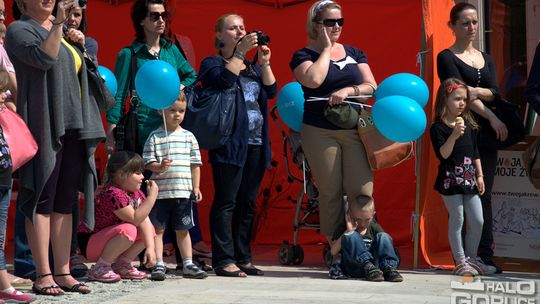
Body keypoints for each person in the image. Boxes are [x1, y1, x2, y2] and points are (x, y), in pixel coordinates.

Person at [6, 0, 105, 295]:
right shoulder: (19, 29)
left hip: (75, 124)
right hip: (45, 124)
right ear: (22, 2)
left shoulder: (60, 31)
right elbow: (45, 59)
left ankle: (63, 271)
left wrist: (80, 47)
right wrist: (60, 28)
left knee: (65, 202)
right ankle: (43, 273)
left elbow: (81, 75)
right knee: (42, 199)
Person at [290, 0, 376, 246]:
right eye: (330, 22)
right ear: (316, 25)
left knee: (362, 188)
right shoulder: (302, 55)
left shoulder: (355, 52)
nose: (337, 26)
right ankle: (336, 247)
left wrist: (349, 90)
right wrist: (326, 49)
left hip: (354, 129)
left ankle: (363, 240)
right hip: (319, 131)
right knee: (330, 191)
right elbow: (314, 81)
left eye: (340, 21)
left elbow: (371, 86)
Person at [201, 13, 276, 277]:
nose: (240, 31)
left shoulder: (252, 68)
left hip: (256, 143)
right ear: (220, 35)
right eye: (232, 28)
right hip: (230, 143)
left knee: (248, 203)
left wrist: (264, 63)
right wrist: (240, 53)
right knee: (227, 201)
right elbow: (223, 82)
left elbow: (271, 91)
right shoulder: (213, 63)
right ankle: (223, 259)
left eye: (242, 27)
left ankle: (243, 256)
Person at [437, 3, 504, 274]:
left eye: (475, 22)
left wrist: (477, 91)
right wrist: (491, 115)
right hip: (461, 130)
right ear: (452, 26)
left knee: (482, 192)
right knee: (461, 198)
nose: (472, 27)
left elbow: (495, 92)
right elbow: (458, 94)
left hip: (486, 136)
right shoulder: (446, 57)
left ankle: (483, 255)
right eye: (465, 23)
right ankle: (463, 258)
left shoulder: (486, 57)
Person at [105, 0, 197, 155]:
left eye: (164, 15)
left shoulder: (170, 49)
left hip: (170, 128)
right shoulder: (129, 54)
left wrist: (176, 88)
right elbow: (118, 95)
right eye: (154, 16)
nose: (161, 20)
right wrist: (111, 131)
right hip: (142, 129)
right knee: (144, 176)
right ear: (141, 20)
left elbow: (191, 75)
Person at [143, 91, 207, 280]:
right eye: (172, 110)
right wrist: (159, 166)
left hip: (182, 192)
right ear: (161, 112)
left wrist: (195, 188)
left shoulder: (189, 137)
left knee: (183, 229)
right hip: (161, 194)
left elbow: (195, 165)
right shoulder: (154, 137)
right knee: (159, 230)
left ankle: (187, 262)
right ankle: (159, 263)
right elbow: (147, 163)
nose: (177, 114)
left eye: (181, 111)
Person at [430, 78, 490, 276]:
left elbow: (475, 152)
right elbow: (443, 154)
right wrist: (454, 134)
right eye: (457, 99)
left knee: (478, 220)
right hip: (450, 180)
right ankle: (461, 260)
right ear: (445, 99)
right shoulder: (438, 127)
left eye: (464, 99)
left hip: (469, 177)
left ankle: (472, 258)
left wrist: (480, 175)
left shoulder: (470, 125)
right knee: (458, 218)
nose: (462, 103)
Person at [79, 151, 156, 282]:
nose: (142, 177)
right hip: (90, 242)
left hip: (108, 240)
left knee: (149, 231)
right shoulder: (112, 193)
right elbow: (135, 218)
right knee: (129, 229)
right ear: (121, 174)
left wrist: (150, 248)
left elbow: (144, 220)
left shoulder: (136, 193)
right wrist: (152, 196)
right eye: (138, 173)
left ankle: (122, 264)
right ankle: (100, 268)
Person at [0, 71, 35, 303]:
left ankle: (3, 286)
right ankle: (4, 287)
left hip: (3, 179)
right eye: (1, 92)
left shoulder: (3, 113)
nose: (5, 95)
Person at [329, 197, 402, 282]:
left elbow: (384, 246)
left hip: (375, 269)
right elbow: (333, 251)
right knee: (351, 236)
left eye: (367, 219)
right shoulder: (344, 228)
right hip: (353, 267)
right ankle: (367, 266)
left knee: (383, 236)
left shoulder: (374, 227)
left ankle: (389, 268)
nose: (362, 224)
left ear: (373, 215)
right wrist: (348, 231)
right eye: (358, 219)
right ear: (350, 215)